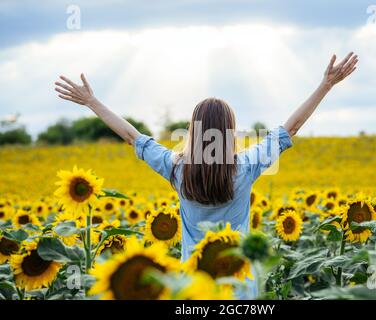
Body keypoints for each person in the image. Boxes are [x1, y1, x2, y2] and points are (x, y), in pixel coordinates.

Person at [54, 52, 358, 299]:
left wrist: (92, 102)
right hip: (241, 286)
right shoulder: (247, 165)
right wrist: (325, 85)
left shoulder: (177, 168)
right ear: (230, 131)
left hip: (193, 287)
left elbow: (133, 136)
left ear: (193, 130)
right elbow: (290, 129)